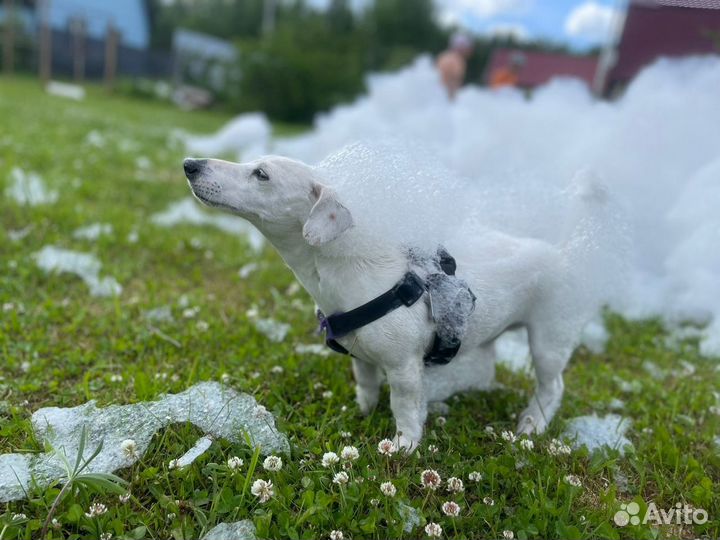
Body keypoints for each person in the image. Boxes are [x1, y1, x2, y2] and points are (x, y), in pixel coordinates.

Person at [436, 33, 473, 100]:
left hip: (436, 92)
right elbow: (453, 82)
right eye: (468, 48)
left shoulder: (443, 56)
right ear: (461, 47)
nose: (470, 51)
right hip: (444, 96)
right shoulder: (458, 60)